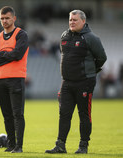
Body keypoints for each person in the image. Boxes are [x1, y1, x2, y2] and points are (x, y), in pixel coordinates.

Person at [45, 10, 107, 154]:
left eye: (75, 20)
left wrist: (90, 71)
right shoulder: (64, 36)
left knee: (84, 114)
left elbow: (102, 58)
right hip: (66, 83)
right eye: (70, 20)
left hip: (85, 82)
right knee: (64, 114)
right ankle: (60, 145)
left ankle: (83, 146)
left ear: (83, 21)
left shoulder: (91, 38)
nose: (72, 22)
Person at [0, 6, 29, 153]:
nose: (4, 21)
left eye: (7, 18)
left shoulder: (21, 35)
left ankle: (19, 146)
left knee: (17, 114)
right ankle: (11, 144)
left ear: (14, 18)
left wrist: (1, 55)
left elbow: (18, 54)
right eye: (2, 18)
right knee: (7, 115)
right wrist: (7, 55)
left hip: (16, 79)